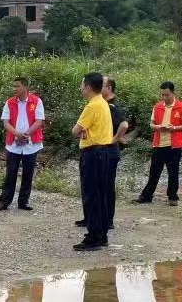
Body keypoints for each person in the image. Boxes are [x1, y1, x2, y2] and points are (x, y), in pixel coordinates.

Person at [75, 76, 128, 229]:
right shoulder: (102, 104)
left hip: (105, 151)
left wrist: (114, 139)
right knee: (94, 189)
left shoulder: (111, 106)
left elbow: (124, 125)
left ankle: (105, 221)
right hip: (101, 150)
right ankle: (91, 219)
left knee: (104, 188)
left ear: (109, 88)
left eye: (102, 84)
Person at [71, 72, 113, 251]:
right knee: (101, 195)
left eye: (82, 85)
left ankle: (93, 237)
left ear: (88, 87)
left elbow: (75, 130)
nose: (80, 88)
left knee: (91, 196)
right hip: (104, 152)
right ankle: (101, 235)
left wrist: (81, 131)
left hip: (92, 154)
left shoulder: (91, 107)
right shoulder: (103, 103)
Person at [134, 81, 182, 206]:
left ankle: (172, 197)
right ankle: (147, 196)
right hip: (159, 144)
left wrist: (174, 128)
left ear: (173, 93)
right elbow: (151, 124)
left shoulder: (181, 107)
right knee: (154, 171)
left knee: (173, 172)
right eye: (163, 95)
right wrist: (158, 127)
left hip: (174, 145)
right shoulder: (158, 106)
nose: (165, 97)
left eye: (167, 95)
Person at [0, 77, 45, 211]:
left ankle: (24, 202)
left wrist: (26, 133)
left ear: (25, 87)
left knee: (28, 174)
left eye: (17, 86)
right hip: (13, 143)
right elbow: (6, 123)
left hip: (31, 144)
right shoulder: (9, 102)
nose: (14, 89)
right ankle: (4, 202)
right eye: (13, 86)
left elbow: (39, 121)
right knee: (10, 173)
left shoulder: (36, 101)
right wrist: (17, 134)